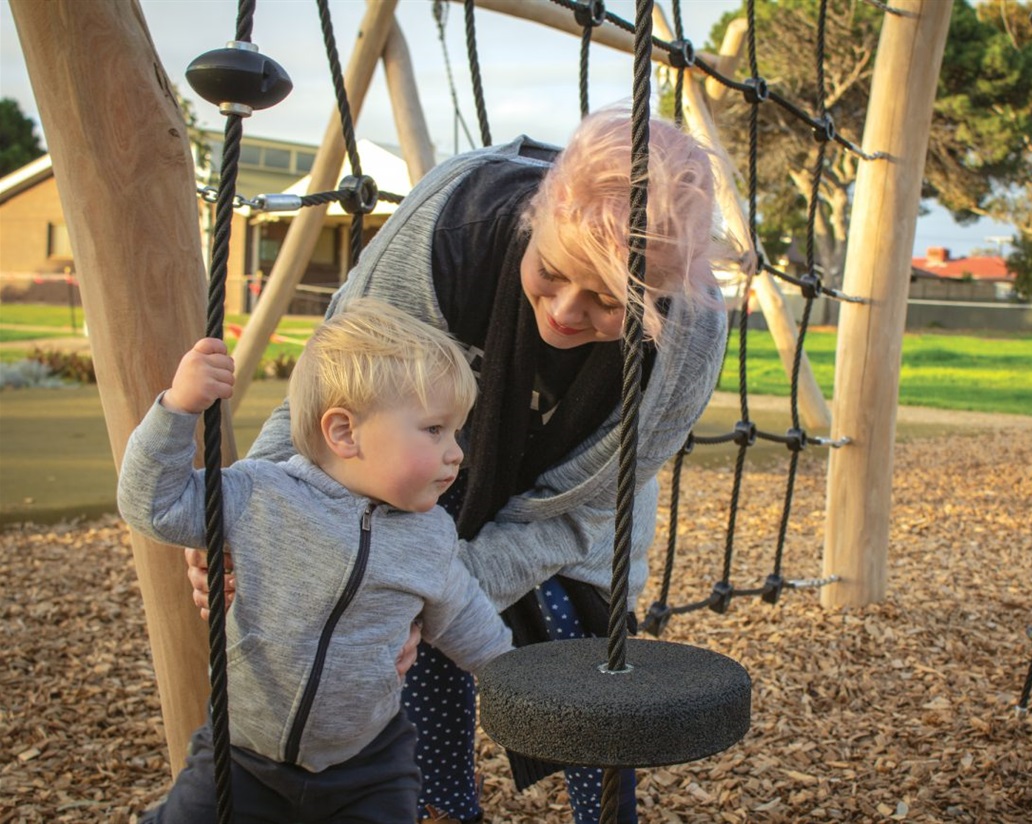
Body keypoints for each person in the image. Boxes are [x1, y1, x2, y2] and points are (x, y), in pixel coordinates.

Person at [188, 105, 729, 823]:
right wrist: (253, 525)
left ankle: (602, 811)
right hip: (418, 470)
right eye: (553, 272)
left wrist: (436, 581)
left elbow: (585, 511)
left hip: (566, 516)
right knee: (401, 643)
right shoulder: (453, 230)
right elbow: (331, 395)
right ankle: (440, 806)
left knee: (583, 650)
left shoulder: (688, 338)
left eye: (606, 303)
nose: (566, 311)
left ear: (661, 296)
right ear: (539, 216)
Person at [120, 298, 514, 823]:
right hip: (243, 754)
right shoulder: (258, 496)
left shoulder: (431, 536)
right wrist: (178, 409)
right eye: (434, 430)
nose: (457, 451)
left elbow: (469, 622)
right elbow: (153, 506)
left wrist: (519, 682)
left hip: (368, 764)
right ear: (345, 433)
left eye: (457, 431)